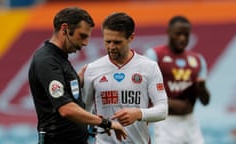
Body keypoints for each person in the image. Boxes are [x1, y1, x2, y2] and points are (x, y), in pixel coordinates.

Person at [28, 7, 127, 144]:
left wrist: (79, 80)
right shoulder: (47, 61)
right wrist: (105, 123)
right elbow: (66, 109)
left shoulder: (60, 59)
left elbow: (65, 92)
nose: (85, 43)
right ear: (65, 29)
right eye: (82, 36)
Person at [83, 12, 168, 144]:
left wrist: (139, 114)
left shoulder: (149, 67)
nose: (111, 47)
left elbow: (163, 111)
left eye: (117, 42)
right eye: (107, 41)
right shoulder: (92, 69)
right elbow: (84, 112)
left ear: (131, 37)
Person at [144, 15, 210, 144]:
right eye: (178, 34)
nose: (182, 38)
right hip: (165, 123)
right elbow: (145, 91)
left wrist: (202, 89)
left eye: (186, 35)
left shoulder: (198, 60)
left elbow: (205, 101)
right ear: (169, 32)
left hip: (190, 122)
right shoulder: (154, 55)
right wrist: (171, 104)